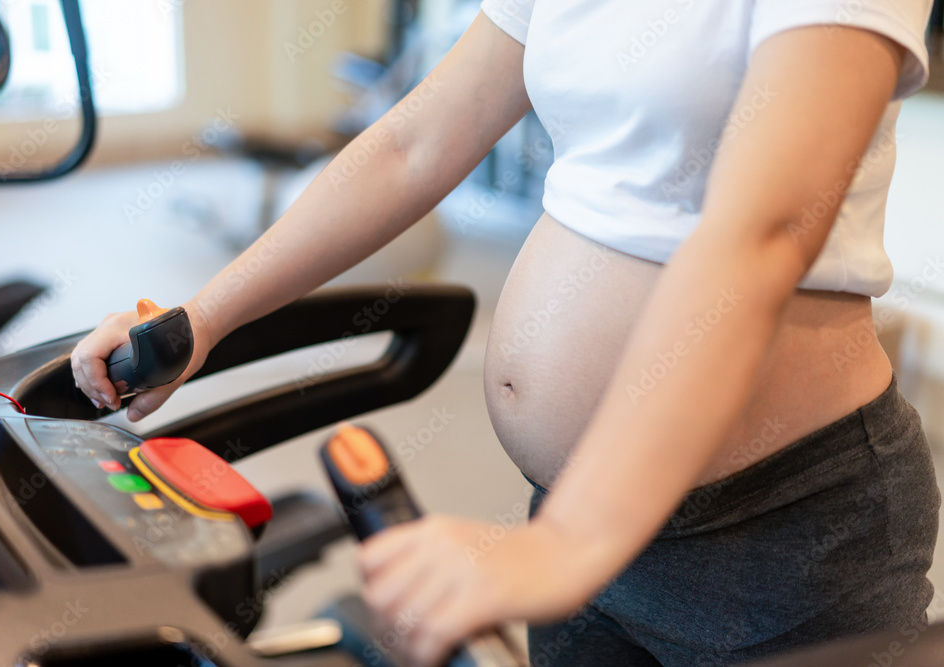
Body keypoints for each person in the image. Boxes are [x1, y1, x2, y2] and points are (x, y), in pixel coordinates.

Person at [72, 1, 941, 665]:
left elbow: (767, 226)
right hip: (576, 506)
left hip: (774, 535)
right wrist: (203, 318)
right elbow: (414, 143)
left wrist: (572, 542)